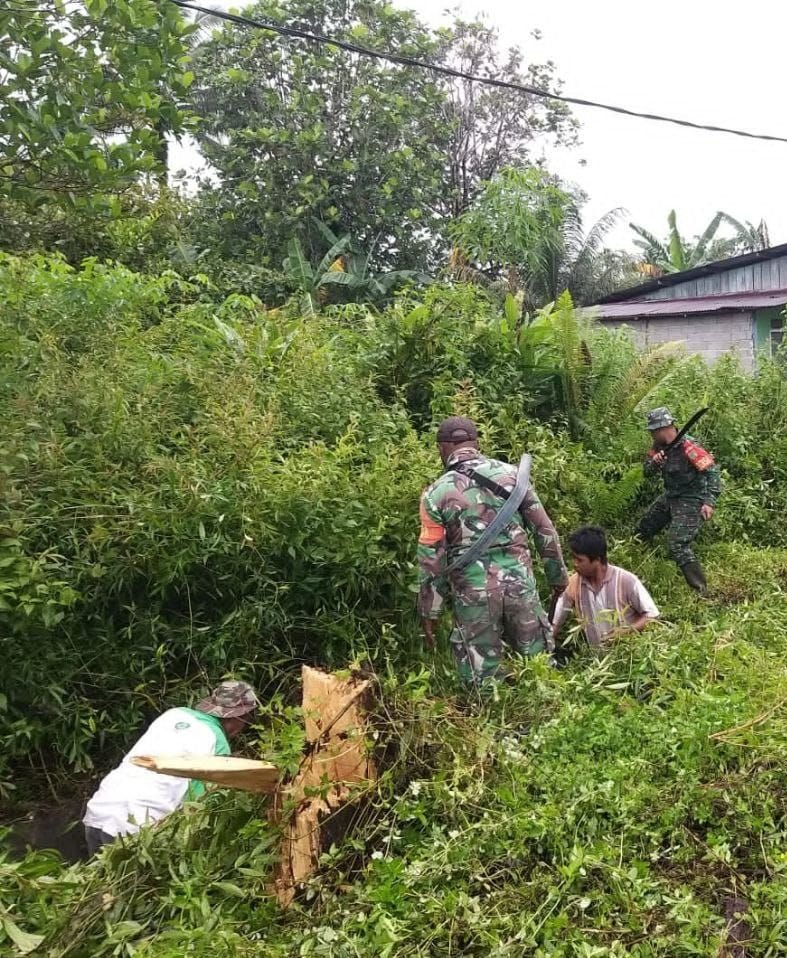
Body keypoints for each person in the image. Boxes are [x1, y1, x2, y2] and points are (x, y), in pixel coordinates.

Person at [417, 416, 568, 684]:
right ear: (476, 443)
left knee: (482, 678)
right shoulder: (514, 477)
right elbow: (545, 531)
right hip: (520, 585)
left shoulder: (435, 495)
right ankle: (546, 717)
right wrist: (558, 579)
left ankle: (490, 720)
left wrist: (431, 613)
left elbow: (432, 561)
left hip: (474, 596)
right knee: (538, 670)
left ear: (442, 448)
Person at [82, 680, 258, 855]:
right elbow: (197, 804)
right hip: (136, 827)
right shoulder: (217, 743)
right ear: (239, 716)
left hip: (101, 809)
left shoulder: (174, 714)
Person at [636, 407, 721, 592]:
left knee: (678, 545)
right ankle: (641, 571)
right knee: (643, 530)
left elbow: (712, 473)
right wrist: (655, 462)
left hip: (692, 498)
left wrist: (709, 502)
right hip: (670, 496)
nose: (651, 435)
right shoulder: (658, 448)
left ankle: (701, 590)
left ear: (661, 429)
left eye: (652, 431)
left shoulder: (689, 447)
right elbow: (646, 472)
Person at [551, 525, 659, 650]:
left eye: (580, 560)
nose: (575, 564)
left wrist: (626, 632)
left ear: (597, 559)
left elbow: (652, 616)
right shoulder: (573, 583)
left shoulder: (626, 580)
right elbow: (555, 623)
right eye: (573, 558)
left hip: (629, 658)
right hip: (596, 664)